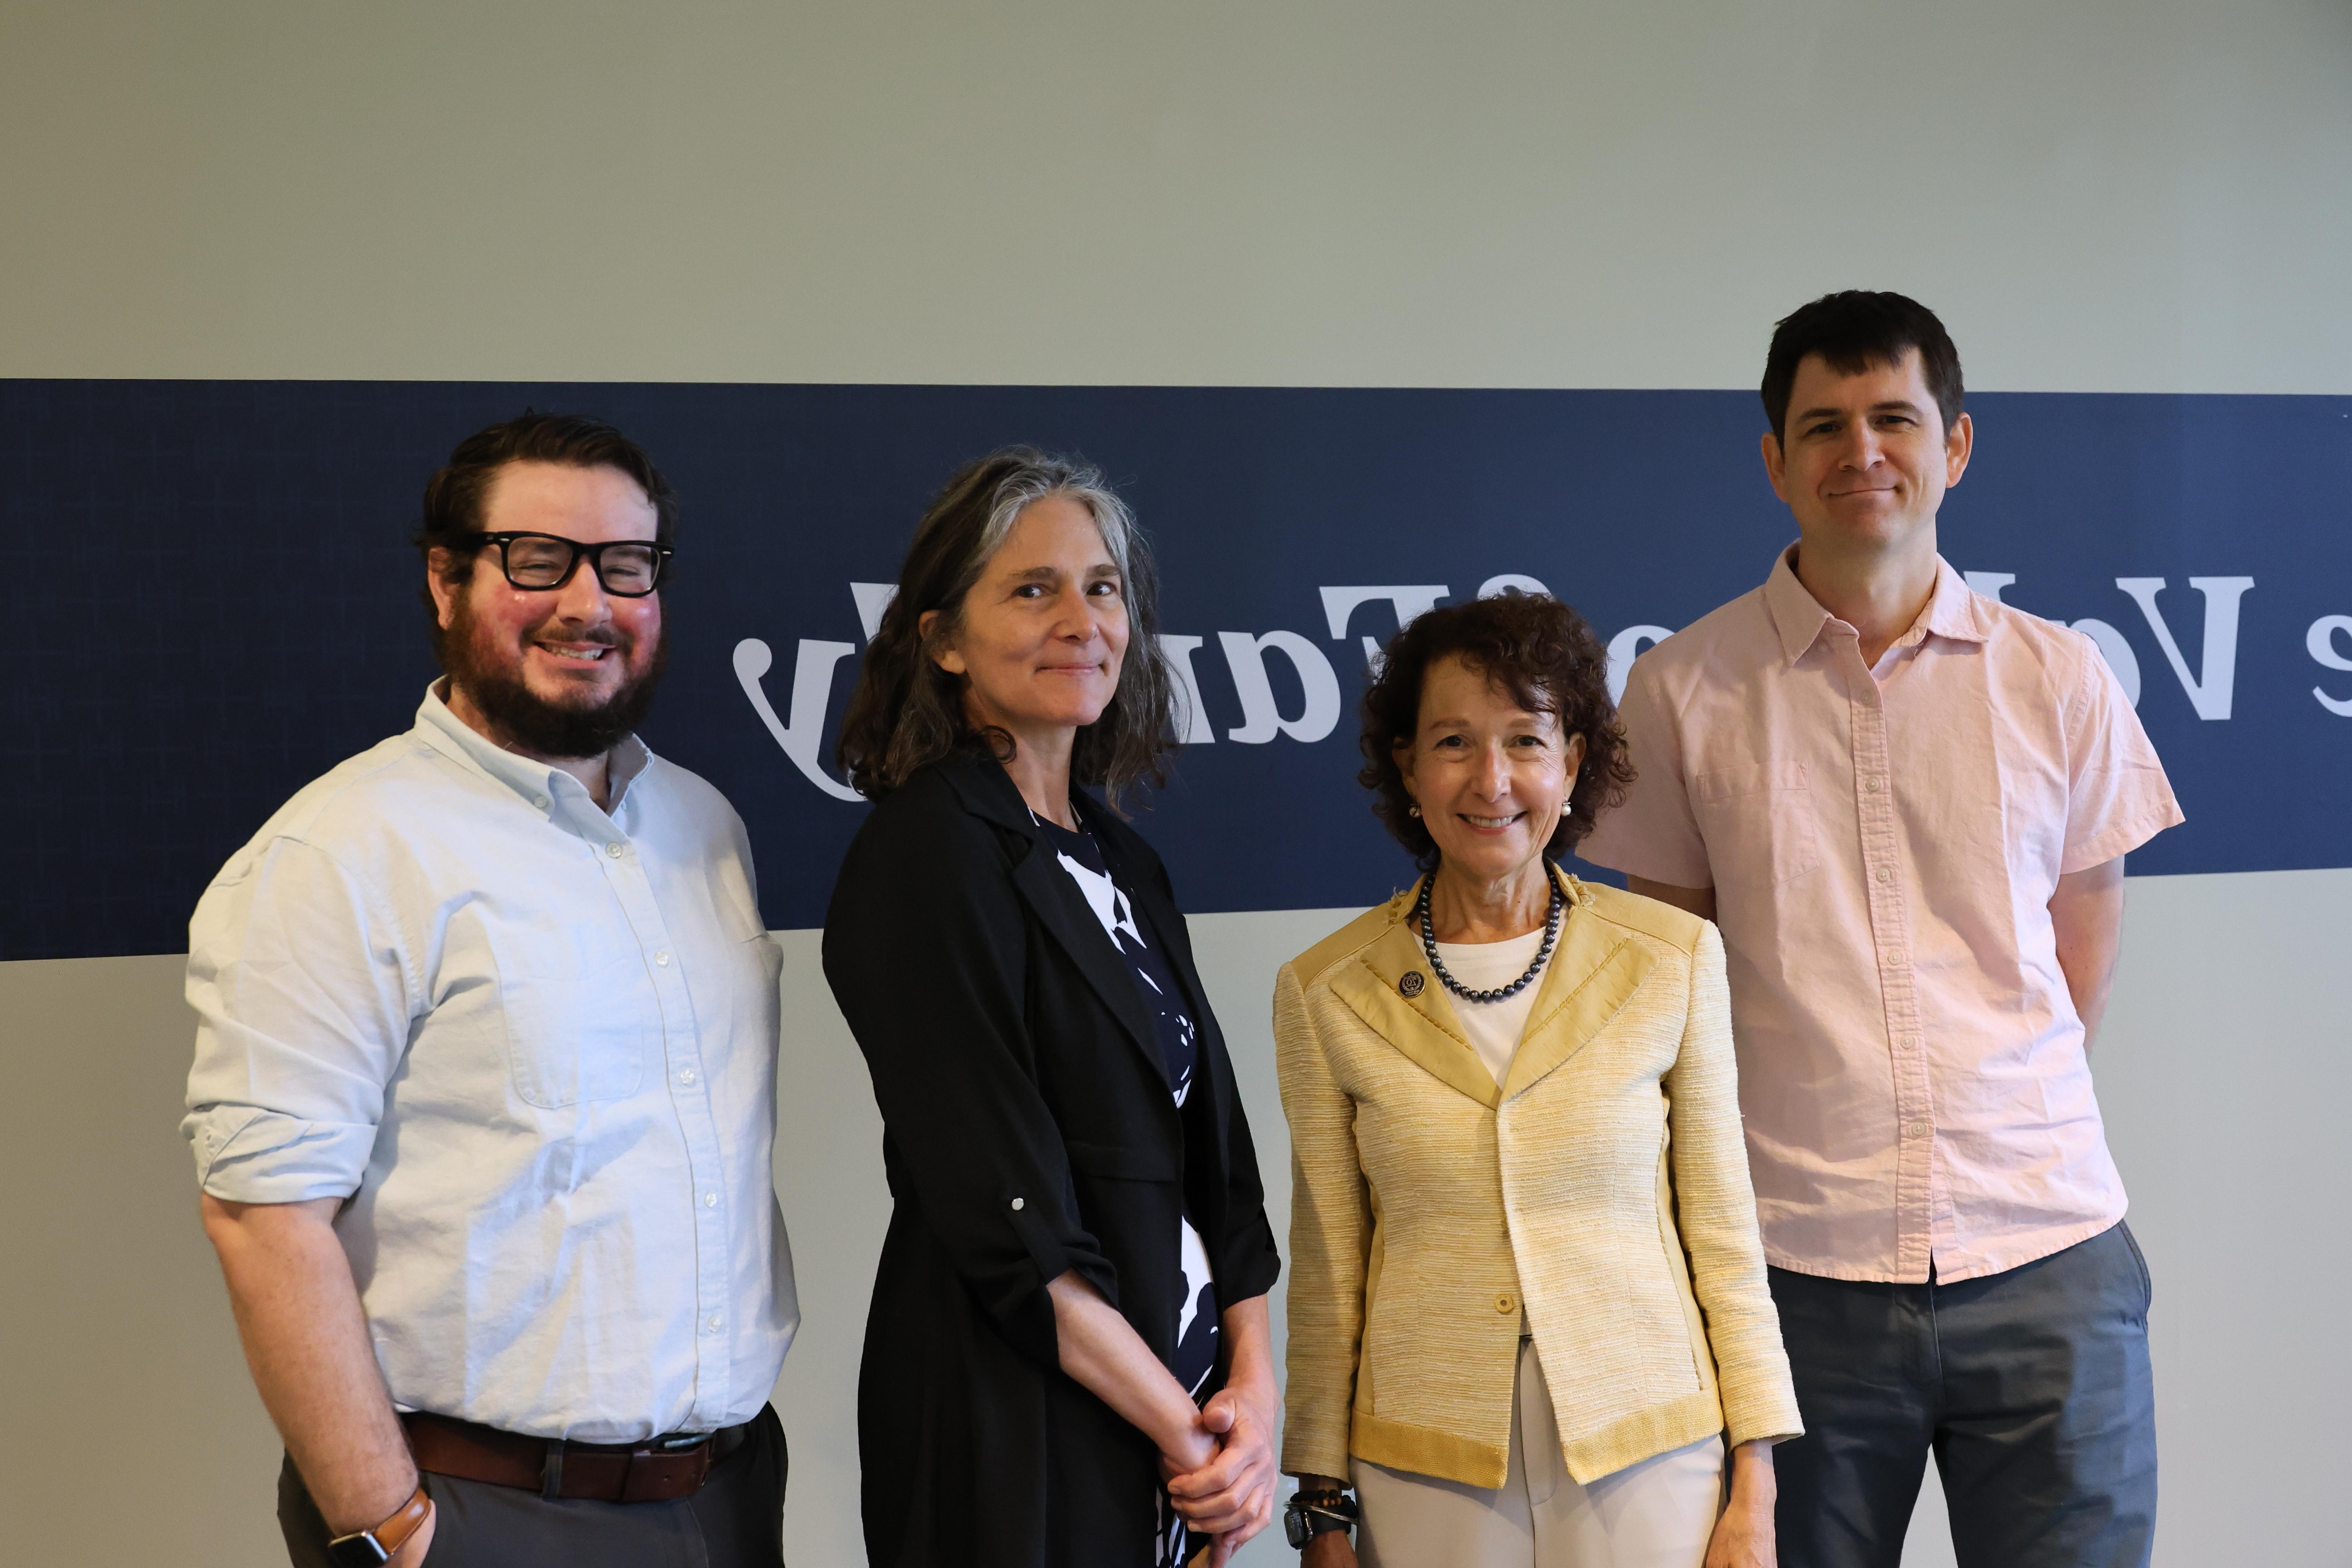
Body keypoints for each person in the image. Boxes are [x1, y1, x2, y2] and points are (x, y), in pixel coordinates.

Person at [1579, 290, 2183, 1568]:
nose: (1863, 453)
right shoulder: (1682, 691)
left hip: (2047, 1263)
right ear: (1775, 462)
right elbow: (1678, 983)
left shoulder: (2060, 677)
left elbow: (2084, 951)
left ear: (1955, 446)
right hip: (1792, 1278)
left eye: (1895, 419)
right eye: (1825, 426)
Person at [184, 414, 799, 1568]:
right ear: (446, 579)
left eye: (626, 566)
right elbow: (264, 1219)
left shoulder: (704, 827)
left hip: (726, 1497)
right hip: (478, 1513)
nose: (588, 603)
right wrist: (392, 1531)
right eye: (537, 559)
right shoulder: (341, 854)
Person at [822, 449, 1283, 1568]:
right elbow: (1009, 1217)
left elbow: (1217, 1173)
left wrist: (1254, 1406)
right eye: (1033, 589)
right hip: (1021, 1419)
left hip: (1176, 1432)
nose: (1082, 618)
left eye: (1104, 586)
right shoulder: (925, 851)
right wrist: (1188, 1439)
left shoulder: (1121, 857)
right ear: (941, 638)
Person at [1276, 591, 1802, 1568]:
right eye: (1453, 742)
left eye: (1526, 739)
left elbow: (1726, 1236)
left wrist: (1756, 1485)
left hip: (1650, 1446)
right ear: (1407, 764)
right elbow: (1329, 1268)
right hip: (1423, 1461)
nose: (1492, 779)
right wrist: (1321, 1505)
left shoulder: (1672, 957)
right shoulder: (1325, 991)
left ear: (1573, 762)